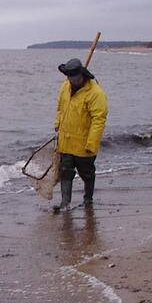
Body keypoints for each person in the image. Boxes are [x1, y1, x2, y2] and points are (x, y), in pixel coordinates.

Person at [53, 58, 109, 211]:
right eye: (69, 78)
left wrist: (92, 143)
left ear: (82, 76)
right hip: (65, 140)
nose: (72, 81)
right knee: (65, 172)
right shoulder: (65, 86)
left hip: (84, 143)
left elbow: (99, 119)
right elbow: (60, 107)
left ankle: (88, 199)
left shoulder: (95, 93)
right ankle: (65, 203)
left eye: (75, 79)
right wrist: (57, 124)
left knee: (87, 174)